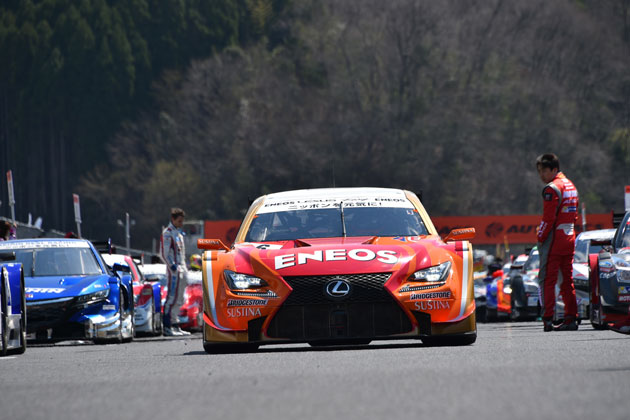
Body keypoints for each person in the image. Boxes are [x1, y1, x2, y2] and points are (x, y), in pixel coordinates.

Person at [536, 153, 579, 332]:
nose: (541, 175)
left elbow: (549, 218)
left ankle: (547, 318)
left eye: (544, 171)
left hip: (554, 240)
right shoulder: (571, 185)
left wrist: (540, 236)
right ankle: (571, 317)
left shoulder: (552, 188)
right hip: (569, 237)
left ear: (554, 169)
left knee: (548, 279)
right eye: (539, 172)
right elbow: (574, 216)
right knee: (567, 280)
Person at [160, 208, 191, 337]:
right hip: (174, 272)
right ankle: (167, 326)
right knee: (171, 298)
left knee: (180, 298)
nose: (181, 223)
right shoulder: (167, 233)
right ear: (173, 219)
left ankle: (175, 324)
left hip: (182, 270)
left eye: (182, 221)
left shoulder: (178, 233)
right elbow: (164, 253)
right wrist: (173, 267)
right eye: (179, 221)